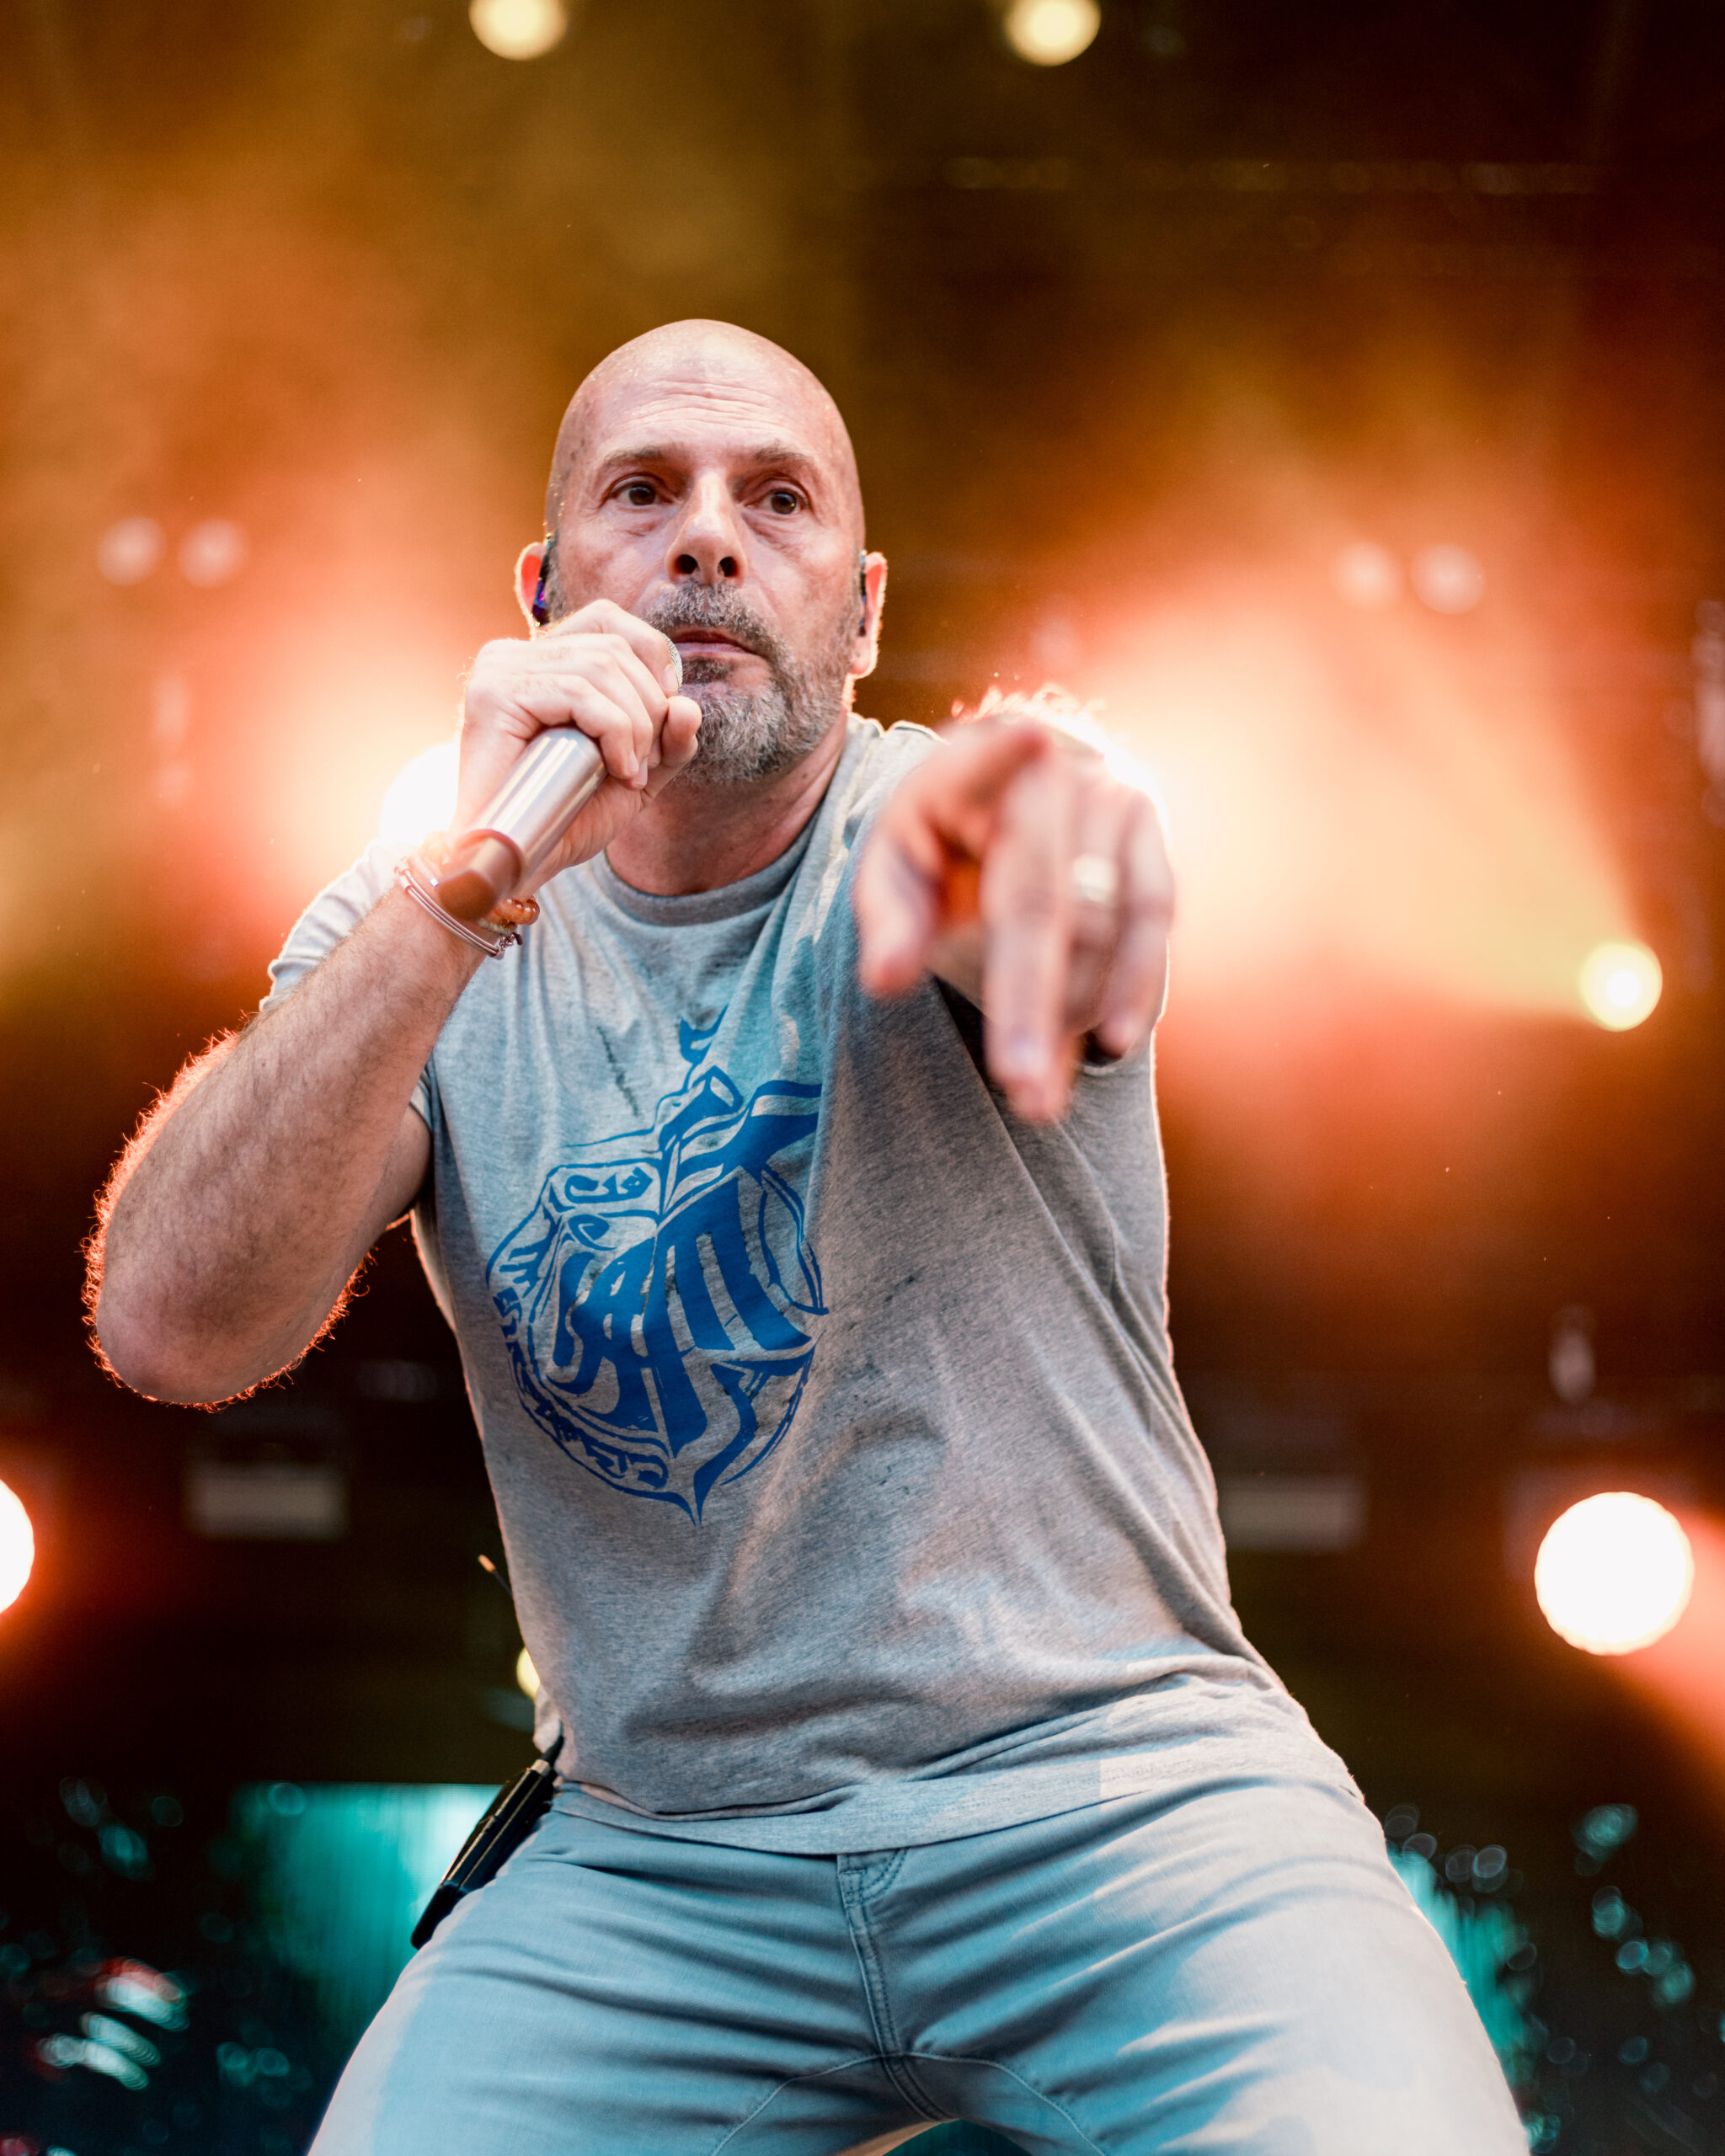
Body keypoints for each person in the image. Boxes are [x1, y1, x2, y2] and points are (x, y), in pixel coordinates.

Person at [88, 321, 1524, 2154]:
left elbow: (1043, 838)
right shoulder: (426, 918)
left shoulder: (927, 821)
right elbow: (170, 1325)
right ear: (541, 594)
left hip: (1118, 1793)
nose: (707, 536)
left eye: (775, 500)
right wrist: (456, 891)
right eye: (643, 494)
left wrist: (1051, 826)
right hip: (656, 1857)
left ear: (859, 613)